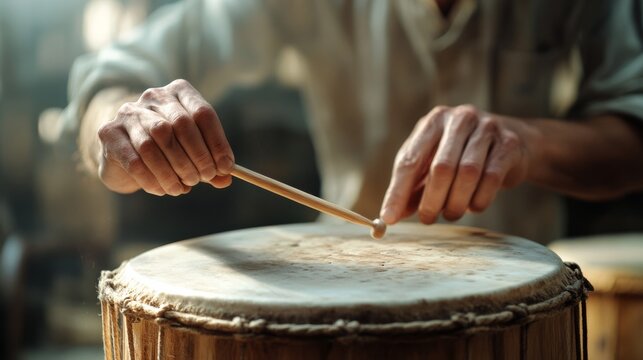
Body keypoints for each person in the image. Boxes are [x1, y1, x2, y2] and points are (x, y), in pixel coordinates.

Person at [63, 0, 643, 243]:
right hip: (339, 314)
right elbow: (110, 78)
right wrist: (121, 138)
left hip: (523, 313)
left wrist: (528, 141)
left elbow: (633, 135)